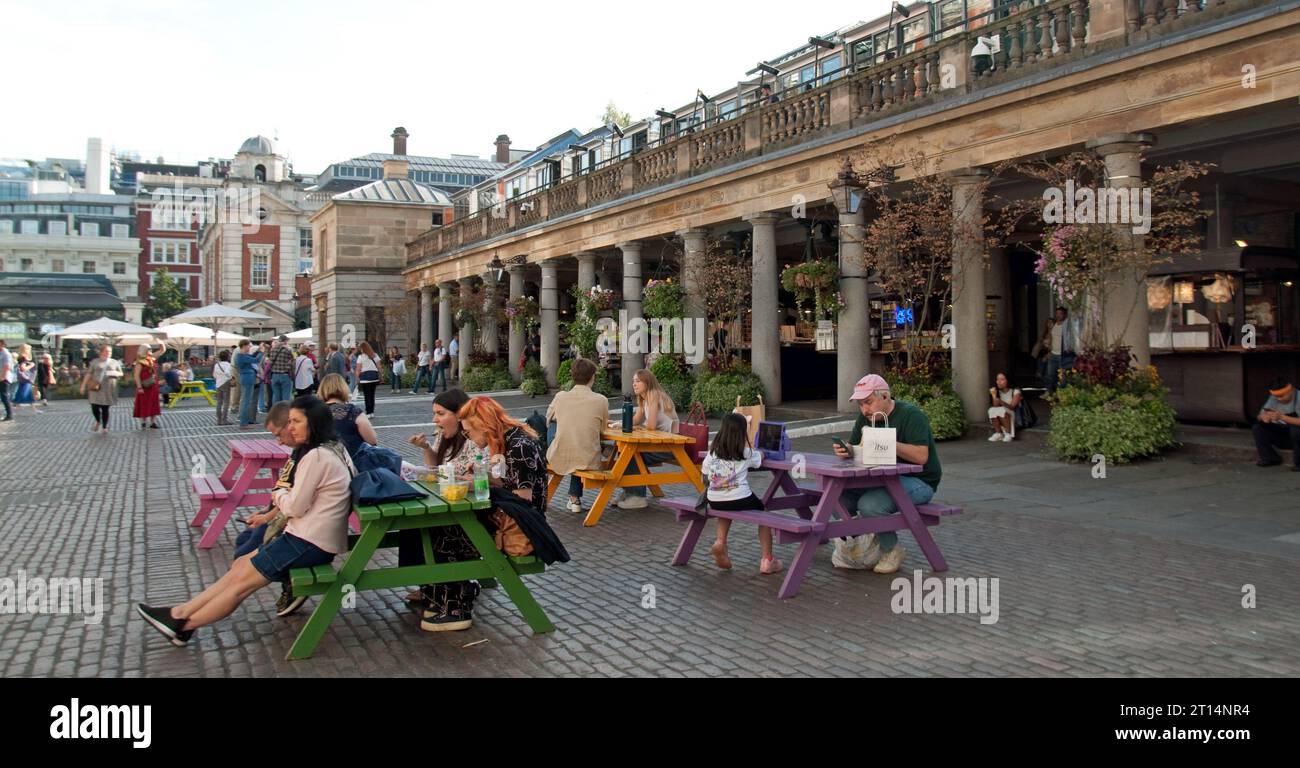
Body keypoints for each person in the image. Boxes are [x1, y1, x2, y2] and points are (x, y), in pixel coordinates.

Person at [136, 396, 356, 647]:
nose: (291, 427)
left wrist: (278, 494)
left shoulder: (316, 456)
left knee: (240, 585)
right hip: (312, 539)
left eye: (296, 421)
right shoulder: (335, 447)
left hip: (307, 542)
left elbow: (294, 506)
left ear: (314, 423)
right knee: (241, 565)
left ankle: (183, 623)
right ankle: (180, 613)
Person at [447, 396, 545, 632]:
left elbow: (521, 502)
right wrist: (485, 478)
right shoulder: (504, 439)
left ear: (484, 424)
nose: (468, 436)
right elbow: (508, 484)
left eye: (469, 431)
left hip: (523, 527)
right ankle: (445, 593)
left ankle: (451, 598)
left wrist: (484, 483)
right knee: (446, 527)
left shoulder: (519, 445)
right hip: (510, 516)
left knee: (450, 530)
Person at [830, 374, 942, 574]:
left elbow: (921, 456)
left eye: (868, 403)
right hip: (880, 479)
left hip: (920, 481)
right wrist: (846, 450)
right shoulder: (865, 418)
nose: (864, 410)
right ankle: (863, 545)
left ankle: (891, 549)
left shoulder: (911, 415)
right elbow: (856, 446)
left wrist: (888, 443)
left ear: (885, 397)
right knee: (837, 499)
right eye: (860, 405)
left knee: (870, 505)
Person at [401, 388, 488, 622]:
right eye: (434, 414)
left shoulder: (474, 440)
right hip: (450, 502)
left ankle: (443, 590)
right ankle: (427, 582)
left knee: (427, 527)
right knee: (410, 524)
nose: (435, 420)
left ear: (459, 415)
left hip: (469, 513)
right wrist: (426, 448)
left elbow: (482, 478)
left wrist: (464, 480)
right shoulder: (443, 437)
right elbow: (436, 471)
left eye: (440, 413)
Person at [703, 412, 779, 574]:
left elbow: (704, 471)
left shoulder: (713, 452)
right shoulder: (746, 453)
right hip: (740, 497)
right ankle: (767, 560)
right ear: (742, 433)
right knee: (764, 514)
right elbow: (762, 457)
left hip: (714, 498)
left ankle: (720, 541)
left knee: (725, 509)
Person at [546, 358, 608, 515]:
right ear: (592, 377)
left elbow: (548, 418)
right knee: (580, 439)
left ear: (572, 376)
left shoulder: (560, 397)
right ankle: (574, 498)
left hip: (560, 455)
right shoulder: (601, 400)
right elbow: (603, 429)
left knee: (555, 425)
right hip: (588, 457)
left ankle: (574, 499)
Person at [609, 368, 678, 509]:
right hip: (660, 444)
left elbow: (651, 426)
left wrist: (635, 428)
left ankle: (637, 496)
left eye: (638, 381)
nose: (634, 384)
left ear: (647, 383)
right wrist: (619, 424)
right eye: (633, 381)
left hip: (671, 447)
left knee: (630, 454)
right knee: (625, 451)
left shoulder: (654, 395)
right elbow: (635, 420)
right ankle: (630, 492)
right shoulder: (644, 399)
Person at [318, 373, 377, 457]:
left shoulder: (315, 412)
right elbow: (372, 440)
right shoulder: (353, 411)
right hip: (352, 460)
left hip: (323, 460)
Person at [1253, 377, 1300, 471]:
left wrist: (1282, 417)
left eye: (1282, 395)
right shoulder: (1274, 398)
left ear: (1290, 389)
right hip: (1284, 435)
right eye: (1276, 396)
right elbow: (1260, 415)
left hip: (1297, 437)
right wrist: (1263, 417)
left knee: (1296, 429)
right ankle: (1270, 458)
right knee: (1258, 427)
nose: (1279, 399)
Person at [82, 345, 122, 433]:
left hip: (108, 388)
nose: (109, 353)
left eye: (110, 351)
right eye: (107, 351)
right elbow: (89, 373)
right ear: (101, 352)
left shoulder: (114, 362)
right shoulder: (95, 362)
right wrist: (83, 385)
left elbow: (121, 373)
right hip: (96, 387)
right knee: (94, 406)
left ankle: (104, 427)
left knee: (105, 407)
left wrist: (114, 373)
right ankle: (98, 420)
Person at [1045, 306, 1079, 393]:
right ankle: (1049, 392)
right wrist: (1048, 351)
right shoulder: (1054, 325)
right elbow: (1050, 339)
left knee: (1062, 376)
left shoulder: (1066, 327)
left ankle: (1061, 394)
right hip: (1053, 354)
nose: (1058, 315)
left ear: (1064, 315)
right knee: (1050, 375)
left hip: (1062, 355)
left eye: (1060, 314)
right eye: (1057, 313)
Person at [234, 340, 264, 428]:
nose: (249, 347)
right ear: (244, 346)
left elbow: (252, 356)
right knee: (246, 401)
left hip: (247, 378)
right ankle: (243, 423)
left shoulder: (243, 355)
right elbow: (256, 359)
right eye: (248, 346)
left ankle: (245, 422)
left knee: (246, 401)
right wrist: (261, 353)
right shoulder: (241, 356)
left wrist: (258, 349)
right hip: (247, 379)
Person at [987, 372, 1022, 442]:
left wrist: (1001, 401)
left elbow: (1012, 407)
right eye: (997, 379)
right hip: (1002, 414)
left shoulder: (1015, 391)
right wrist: (994, 395)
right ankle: (998, 433)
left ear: (1008, 381)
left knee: (1002, 410)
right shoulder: (998, 392)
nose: (999, 382)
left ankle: (1008, 434)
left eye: (1002, 379)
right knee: (991, 410)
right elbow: (995, 406)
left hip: (1014, 414)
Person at [133, 346, 163, 429]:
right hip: (144, 386)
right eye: (148, 349)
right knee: (144, 403)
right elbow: (136, 376)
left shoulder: (151, 358)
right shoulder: (139, 362)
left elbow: (162, 350)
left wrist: (160, 342)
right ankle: (143, 422)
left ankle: (153, 422)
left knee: (153, 403)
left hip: (153, 385)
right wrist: (139, 387)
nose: (150, 350)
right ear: (144, 351)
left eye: (150, 349)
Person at [354, 341, 382, 417]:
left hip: (365, 377)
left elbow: (358, 369)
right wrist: (381, 375)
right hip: (374, 377)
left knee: (367, 395)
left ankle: (368, 412)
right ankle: (372, 412)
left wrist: (357, 377)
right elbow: (379, 367)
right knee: (372, 395)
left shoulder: (361, 357)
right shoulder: (375, 355)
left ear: (362, 349)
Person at [268, 335, 294, 406]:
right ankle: (285, 412)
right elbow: (294, 358)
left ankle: (275, 412)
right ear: (285, 341)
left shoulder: (273, 349)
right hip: (285, 375)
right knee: (286, 396)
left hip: (274, 375)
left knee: (276, 395)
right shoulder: (287, 349)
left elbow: (270, 361)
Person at [1030, 318, 1054, 387]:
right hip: (1043, 351)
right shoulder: (1045, 333)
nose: (1049, 324)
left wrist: (1048, 353)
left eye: (1051, 323)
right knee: (1040, 357)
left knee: (1044, 360)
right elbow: (1041, 343)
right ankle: (1039, 373)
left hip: (1050, 351)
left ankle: (1042, 375)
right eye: (1048, 322)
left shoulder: (1054, 333)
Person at [213, 350, 235, 425]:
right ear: (227, 357)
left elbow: (214, 376)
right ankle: (224, 419)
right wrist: (231, 377)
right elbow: (227, 373)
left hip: (218, 384)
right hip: (225, 383)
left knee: (219, 402)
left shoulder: (216, 365)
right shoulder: (228, 365)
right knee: (226, 402)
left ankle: (219, 420)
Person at [0, 340, 11, 421]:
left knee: (4, 396)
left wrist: (2, 376)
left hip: (4, 378)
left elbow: (7, 366)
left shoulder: (5, 354)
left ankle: (9, 414)